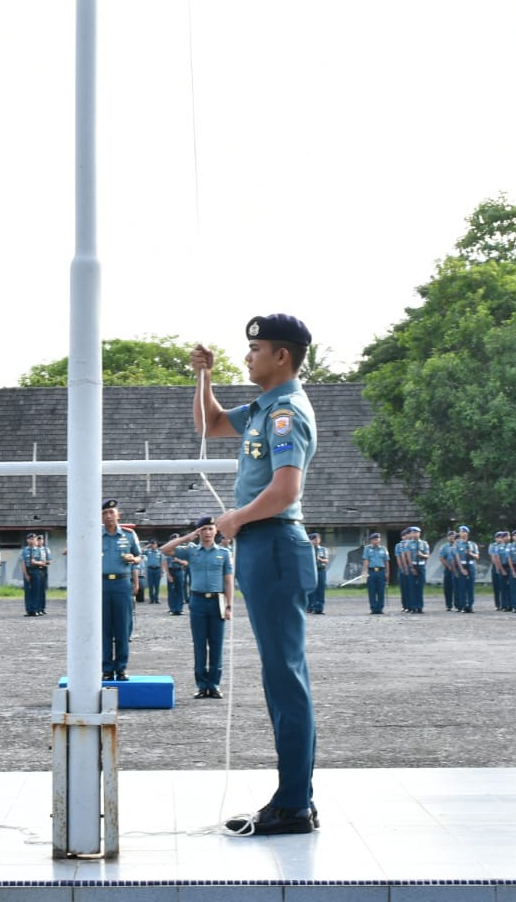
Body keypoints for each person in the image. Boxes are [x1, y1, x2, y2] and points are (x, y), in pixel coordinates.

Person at [190, 313, 319, 836]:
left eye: (256, 349)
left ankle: (293, 804)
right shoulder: (265, 409)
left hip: (273, 542)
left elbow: (286, 490)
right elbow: (210, 424)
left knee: (285, 676)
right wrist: (204, 376)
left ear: (281, 357)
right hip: (263, 545)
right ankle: (295, 798)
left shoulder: (287, 413)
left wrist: (234, 519)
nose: (248, 357)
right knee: (280, 674)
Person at [161, 517, 234, 699]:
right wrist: (188, 537)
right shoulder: (191, 552)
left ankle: (214, 684)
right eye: (203, 529)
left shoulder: (224, 553)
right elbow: (165, 549)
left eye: (210, 529)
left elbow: (228, 581)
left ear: (216, 531)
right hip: (198, 601)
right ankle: (202, 685)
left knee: (216, 644)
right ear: (198, 532)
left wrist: (229, 606)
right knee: (200, 644)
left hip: (217, 601)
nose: (207, 533)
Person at [98, 500, 143, 680]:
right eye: (105, 513)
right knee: (104, 628)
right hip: (101, 584)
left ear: (118, 515)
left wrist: (134, 560)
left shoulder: (129, 535)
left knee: (123, 627)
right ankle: (107, 668)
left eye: (111, 512)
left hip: (122, 584)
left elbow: (140, 556)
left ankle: (121, 667)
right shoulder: (95, 535)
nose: (108, 516)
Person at [22, 532, 50, 616]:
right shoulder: (25, 550)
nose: (32, 540)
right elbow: (23, 562)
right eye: (30, 539)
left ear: (36, 540)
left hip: (37, 571)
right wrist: (25, 574)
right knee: (28, 591)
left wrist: (36, 562)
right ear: (27, 540)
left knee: (36, 591)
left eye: (33, 539)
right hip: (28, 571)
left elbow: (45, 563)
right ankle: (29, 610)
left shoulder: (40, 551)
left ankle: (35, 609)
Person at [362, 532, 389, 615]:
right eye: (374, 539)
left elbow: (386, 561)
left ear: (379, 540)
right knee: (372, 590)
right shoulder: (367, 549)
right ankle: (373, 608)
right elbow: (366, 560)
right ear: (371, 541)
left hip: (381, 571)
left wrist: (387, 572)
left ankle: (380, 608)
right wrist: (364, 571)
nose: (376, 541)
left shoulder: (383, 549)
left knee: (381, 590)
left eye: (377, 539)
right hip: (371, 571)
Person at [307, 532, 329, 614]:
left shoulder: (323, 549)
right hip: (311, 570)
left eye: (317, 539)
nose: (315, 541)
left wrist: (319, 559)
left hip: (321, 569)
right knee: (311, 589)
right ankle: (310, 607)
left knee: (321, 589)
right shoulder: (307, 549)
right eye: (313, 539)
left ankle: (319, 608)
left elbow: (326, 561)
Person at [166, 541, 190, 615]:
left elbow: (186, 563)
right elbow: (164, 562)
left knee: (180, 590)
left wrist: (178, 560)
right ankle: (172, 609)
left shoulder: (182, 552)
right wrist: (168, 574)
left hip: (179, 571)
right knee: (171, 591)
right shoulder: (167, 551)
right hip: (171, 571)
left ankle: (179, 609)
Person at [143, 538, 164, 605]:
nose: (153, 546)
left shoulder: (159, 552)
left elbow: (161, 562)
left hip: (157, 569)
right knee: (150, 585)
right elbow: (141, 550)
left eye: (154, 544)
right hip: (150, 569)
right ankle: (151, 599)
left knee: (157, 585)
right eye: (152, 544)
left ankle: (156, 599)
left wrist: (162, 571)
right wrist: (148, 545)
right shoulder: (148, 551)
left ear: (156, 545)